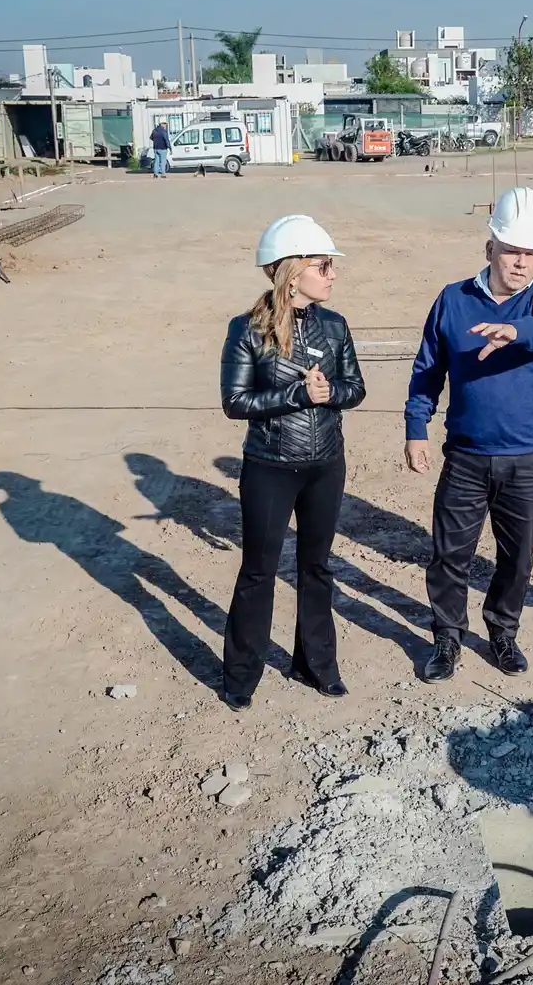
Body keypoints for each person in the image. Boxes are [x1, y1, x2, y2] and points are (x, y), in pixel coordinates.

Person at [405, 187, 533, 684]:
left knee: (518, 556)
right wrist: (417, 426)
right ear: (490, 247)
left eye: (530, 253)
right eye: (512, 251)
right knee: (449, 554)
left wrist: (515, 333)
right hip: (466, 455)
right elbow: (427, 368)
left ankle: (502, 629)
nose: (521, 263)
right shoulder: (454, 300)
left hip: (531, 457)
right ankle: (446, 636)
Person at [218, 215, 364, 711]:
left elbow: (354, 388)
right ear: (292, 271)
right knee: (258, 571)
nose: (332, 275)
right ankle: (240, 676)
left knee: (317, 568)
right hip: (270, 467)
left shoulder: (335, 325)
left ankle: (316, 665)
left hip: (326, 464)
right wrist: (296, 395)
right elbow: (235, 401)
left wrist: (328, 394)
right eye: (323, 266)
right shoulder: (246, 330)